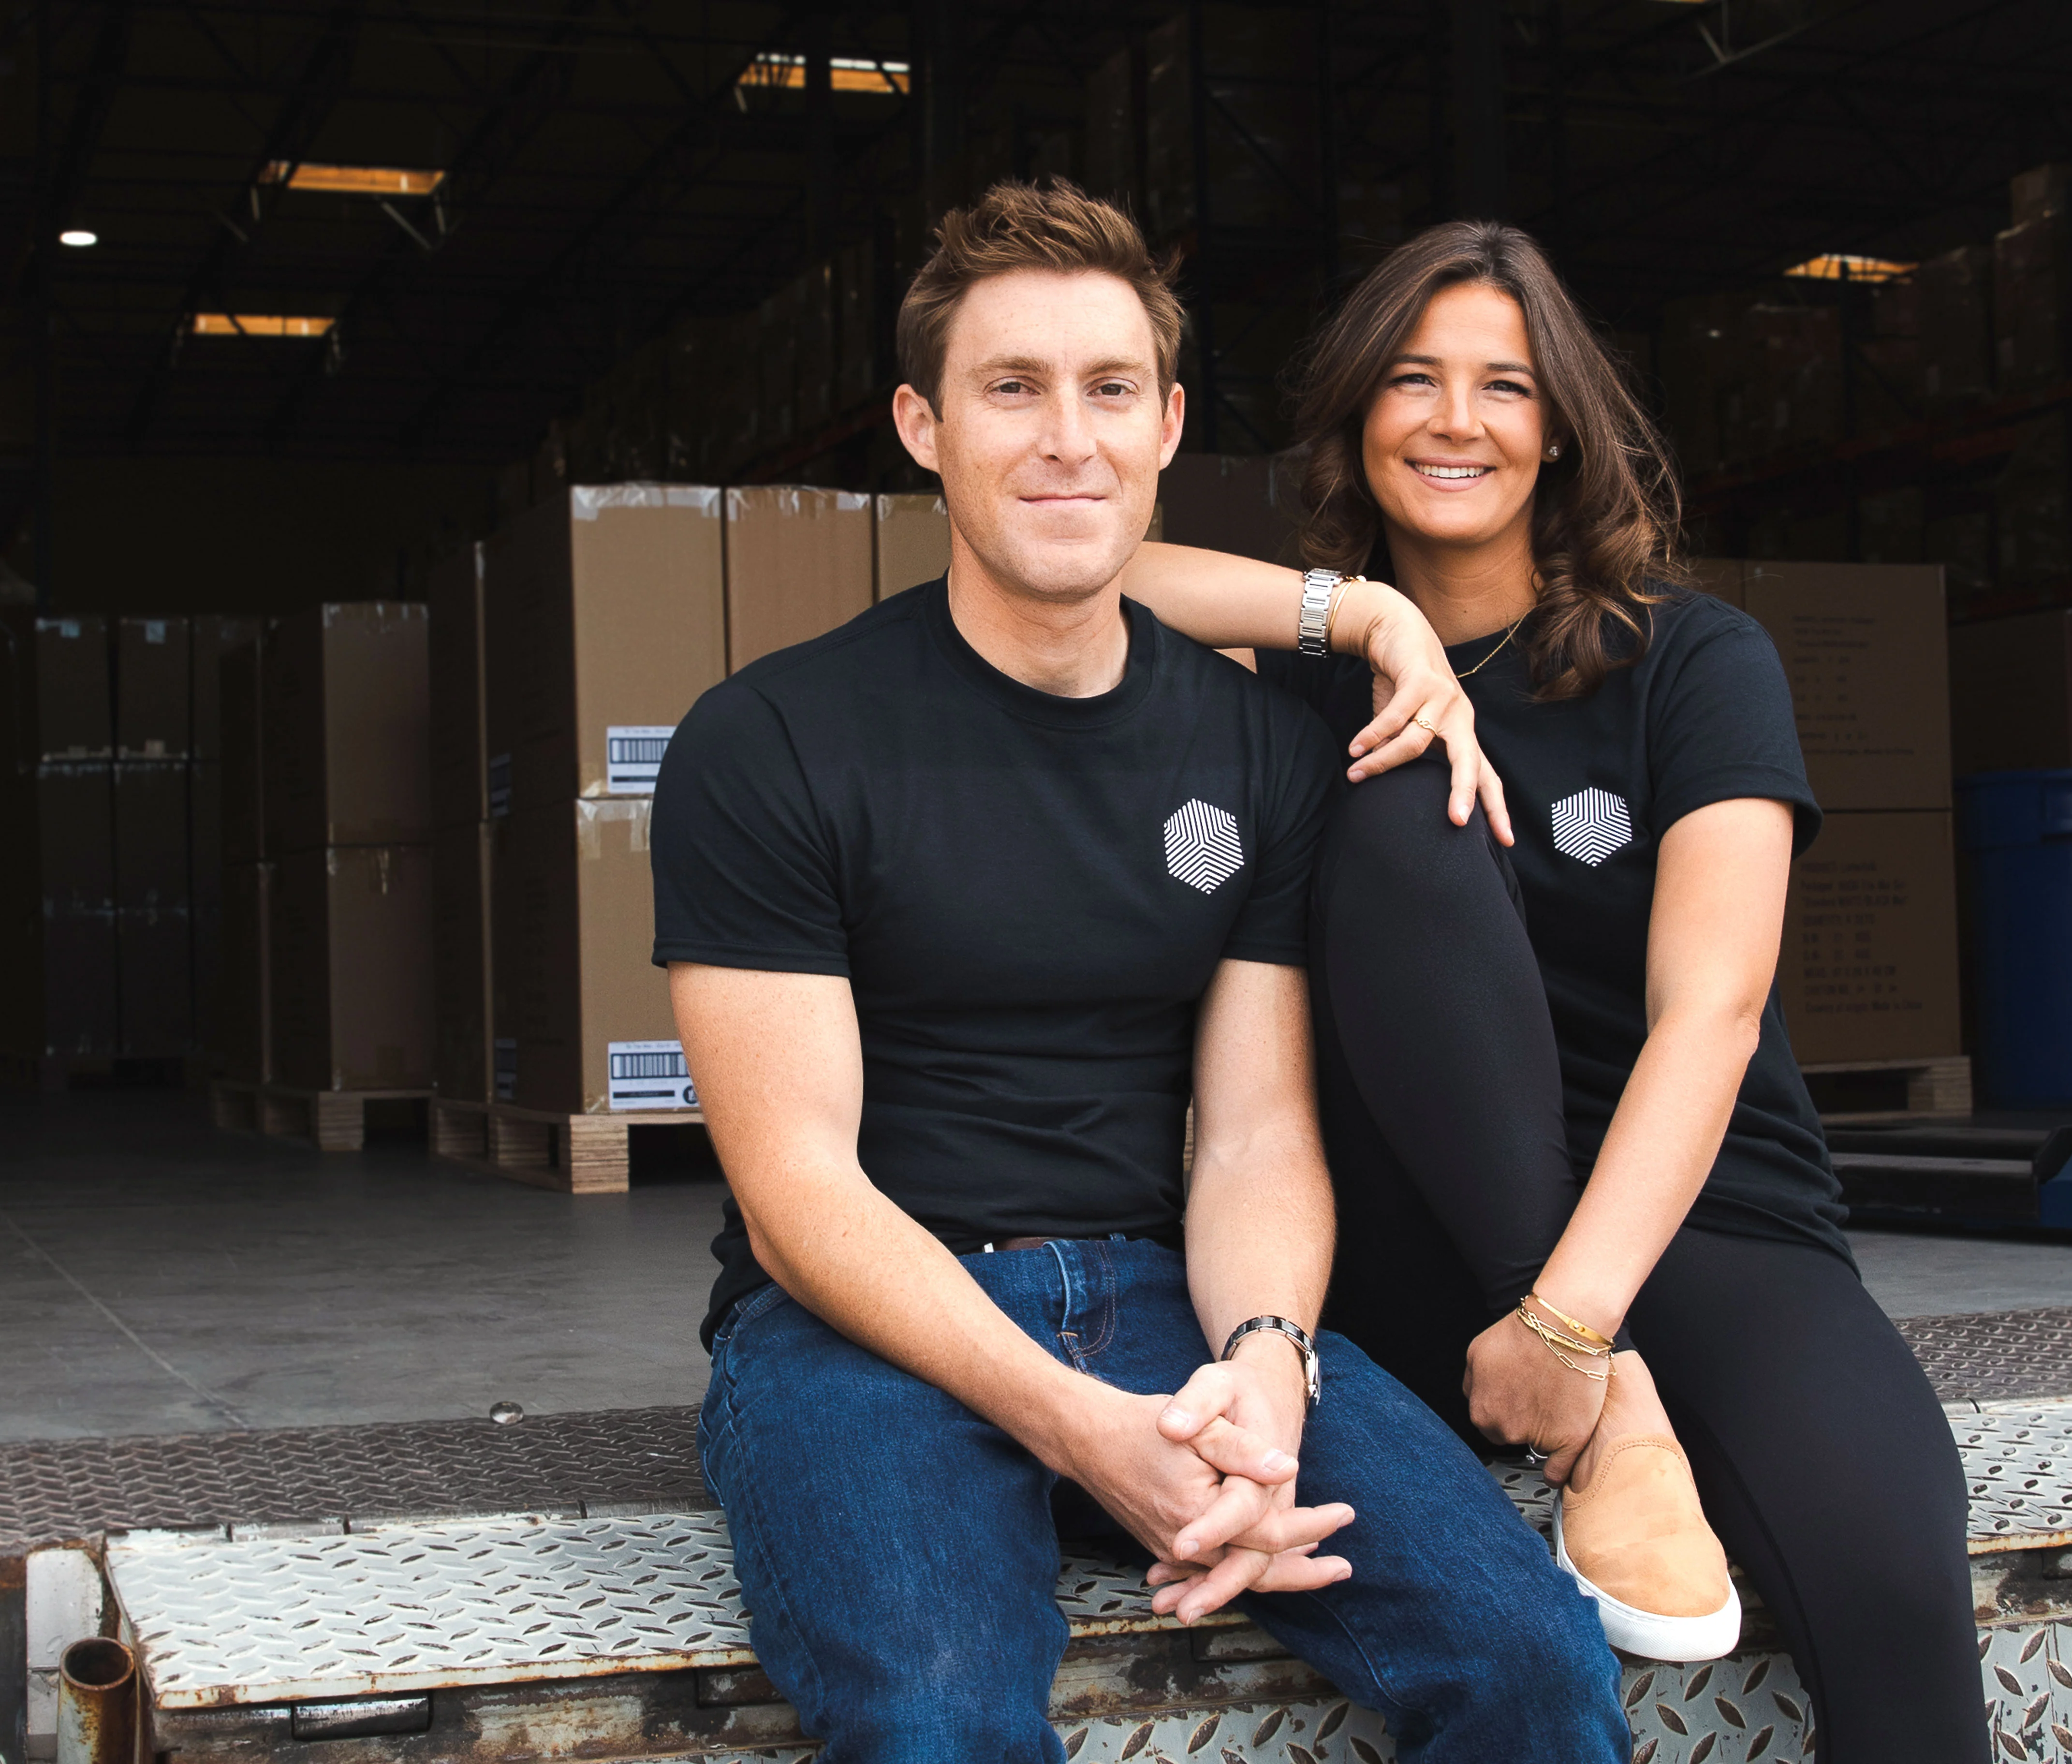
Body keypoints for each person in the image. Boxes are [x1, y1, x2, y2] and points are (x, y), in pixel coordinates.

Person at [650, 180, 1628, 1764]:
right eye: (1009, 388)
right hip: (863, 1324)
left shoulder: (1251, 749)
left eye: (1109, 390)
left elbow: (1251, 1138)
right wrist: (1080, 1428)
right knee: (937, 1727)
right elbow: (796, 1191)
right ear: (922, 426)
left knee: (1532, 1663)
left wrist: (1265, 1367)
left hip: (1170, 1297)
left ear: (1168, 426)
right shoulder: (771, 741)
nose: (1065, 438)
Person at [1120, 220, 1989, 1760]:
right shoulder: (1309, 677)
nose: (1458, 420)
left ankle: (1608, 1389)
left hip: (1696, 1212)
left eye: (1506, 387)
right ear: (1355, 414)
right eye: (1414, 379)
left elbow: (1713, 1011)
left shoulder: (1693, 661)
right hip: (1419, 1236)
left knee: (1897, 1587)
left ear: (1563, 426)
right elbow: (1078, 564)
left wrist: (1575, 1325)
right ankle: (1620, 1426)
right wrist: (1370, 620)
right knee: (1398, 793)